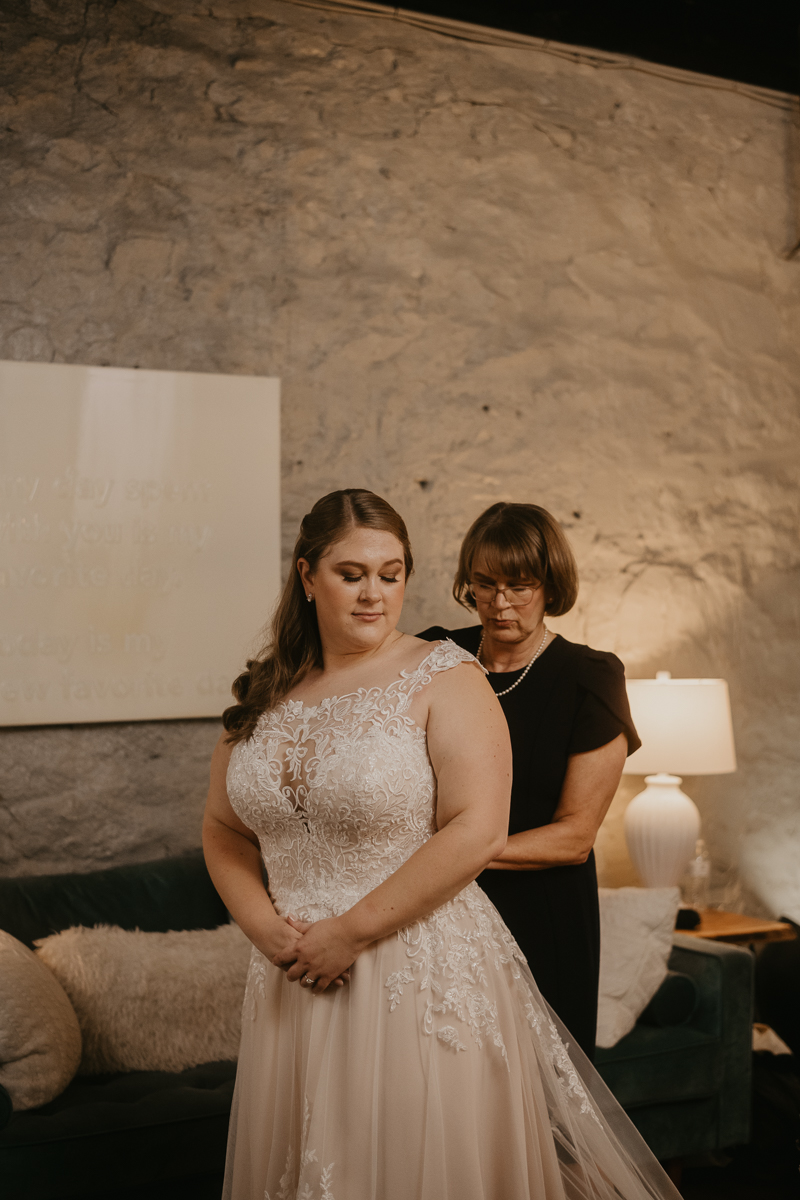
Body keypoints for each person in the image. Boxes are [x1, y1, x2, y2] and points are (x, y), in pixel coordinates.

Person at [203, 488, 677, 1200]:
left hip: (417, 960)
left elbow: (490, 829)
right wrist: (266, 928)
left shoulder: (452, 675)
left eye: (390, 575)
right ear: (306, 576)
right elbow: (222, 826)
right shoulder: (268, 688)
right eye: (351, 574)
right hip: (292, 969)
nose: (373, 594)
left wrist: (355, 924)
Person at [419, 502, 640, 1059]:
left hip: (541, 917)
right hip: (439, 912)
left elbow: (574, 837)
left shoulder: (590, 678)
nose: (499, 603)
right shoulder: (435, 655)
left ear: (549, 586)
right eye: (485, 583)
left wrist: (451, 855)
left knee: (543, 1108)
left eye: (519, 586)